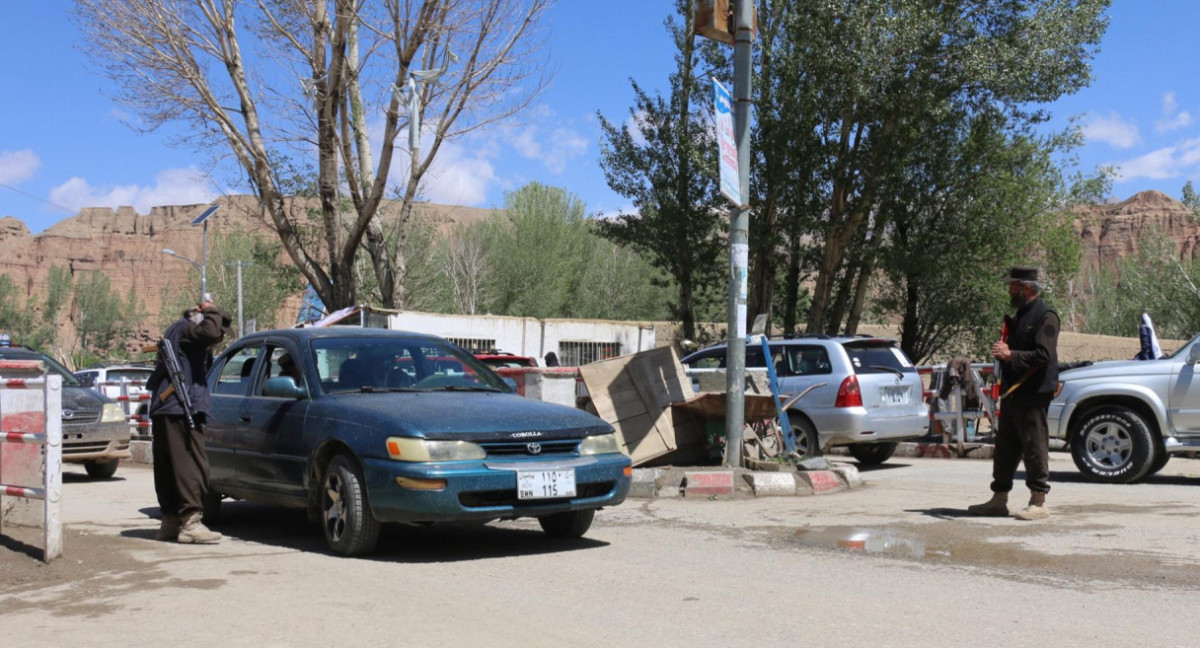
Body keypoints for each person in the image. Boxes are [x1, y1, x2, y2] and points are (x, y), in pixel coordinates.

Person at [968, 266, 1059, 521]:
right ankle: (999, 500)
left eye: (1013, 286)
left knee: (1034, 445)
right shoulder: (1019, 316)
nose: (1009, 290)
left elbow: (1044, 355)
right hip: (1012, 392)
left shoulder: (1046, 316)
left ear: (1026, 287)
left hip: (1033, 392)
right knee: (1005, 448)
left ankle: (1038, 501)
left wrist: (1011, 354)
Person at [146, 301, 233, 543]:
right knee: (191, 466)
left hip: (169, 408)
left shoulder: (181, 331)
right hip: (179, 409)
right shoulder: (188, 330)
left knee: (170, 467)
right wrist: (213, 311)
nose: (219, 339)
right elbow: (209, 332)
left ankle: (171, 522)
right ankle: (190, 522)